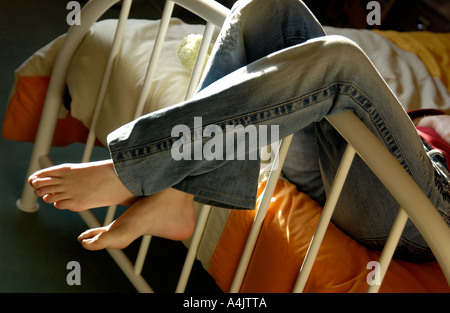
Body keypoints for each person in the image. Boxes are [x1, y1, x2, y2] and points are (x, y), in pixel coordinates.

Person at [28, 0, 449, 262]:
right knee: (271, 8)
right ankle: (177, 196)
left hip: (418, 216)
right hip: (351, 168)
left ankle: (134, 168)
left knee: (342, 59)